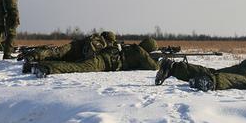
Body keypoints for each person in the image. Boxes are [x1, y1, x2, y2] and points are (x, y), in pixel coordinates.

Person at [32, 37, 160, 77]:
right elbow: (154, 67)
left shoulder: (133, 48)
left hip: (102, 57)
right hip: (103, 62)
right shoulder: (140, 52)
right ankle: (46, 68)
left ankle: (37, 64)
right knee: (78, 67)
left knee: (76, 63)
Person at [19, 31, 118, 73]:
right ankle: (38, 66)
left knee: (55, 53)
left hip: (73, 47)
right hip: (79, 55)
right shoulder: (103, 43)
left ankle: (33, 56)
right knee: (67, 64)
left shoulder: (94, 37)